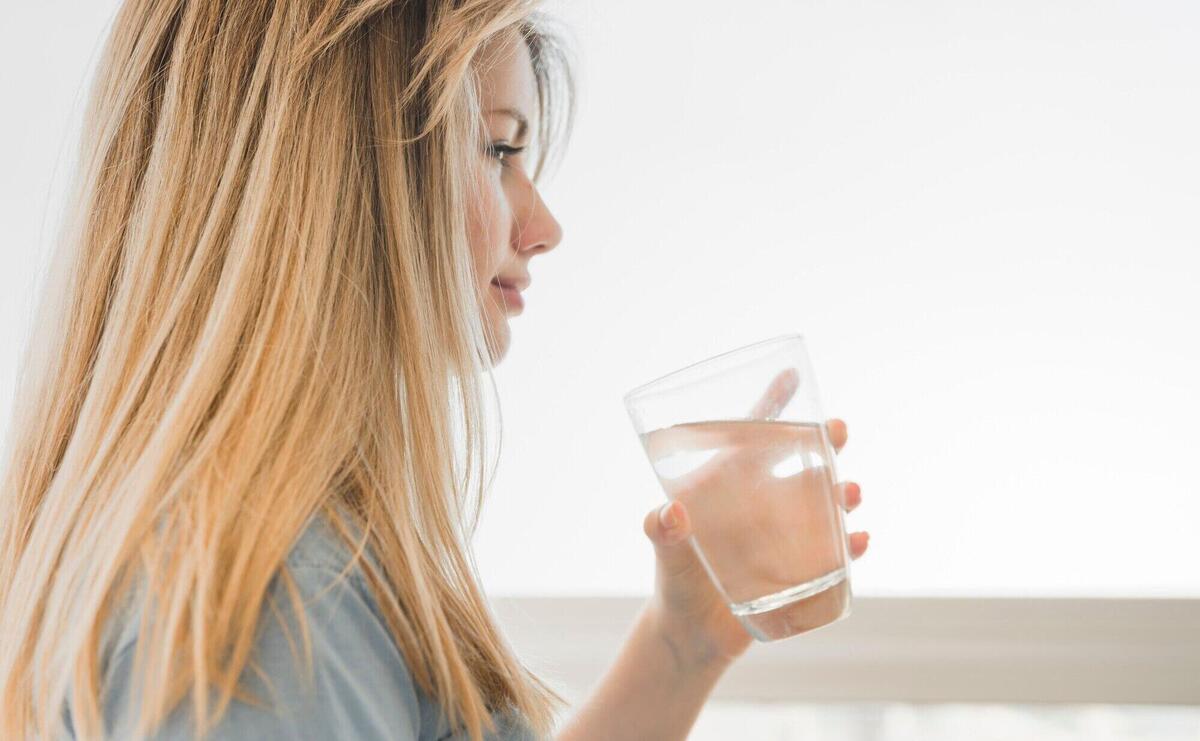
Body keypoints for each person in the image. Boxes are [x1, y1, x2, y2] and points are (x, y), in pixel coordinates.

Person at [0, 1, 870, 739]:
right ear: (344, 170)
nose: (544, 226)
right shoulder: (278, 610)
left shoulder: (272, 570)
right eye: (498, 150)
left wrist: (683, 645)